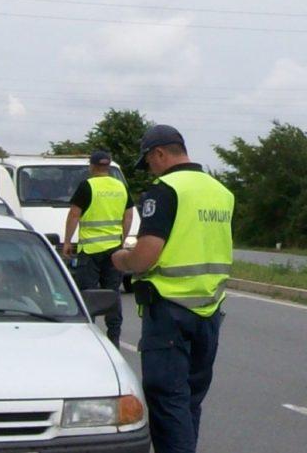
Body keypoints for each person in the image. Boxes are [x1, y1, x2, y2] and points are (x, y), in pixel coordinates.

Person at [111, 125, 234, 453]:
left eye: (149, 161)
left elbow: (147, 254)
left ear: (160, 154)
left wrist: (123, 259)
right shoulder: (221, 191)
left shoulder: (164, 190)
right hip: (209, 311)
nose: (150, 168)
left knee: (167, 402)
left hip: (169, 312)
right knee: (189, 401)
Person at [63, 150, 134, 349]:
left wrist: (68, 241)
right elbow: (128, 216)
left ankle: (90, 339)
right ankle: (114, 338)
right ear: (109, 166)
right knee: (112, 294)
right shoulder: (120, 186)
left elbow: (74, 215)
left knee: (89, 293)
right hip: (114, 249)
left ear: (92, 166)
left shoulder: (88, 186)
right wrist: (122, 238)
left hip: (91, 249)